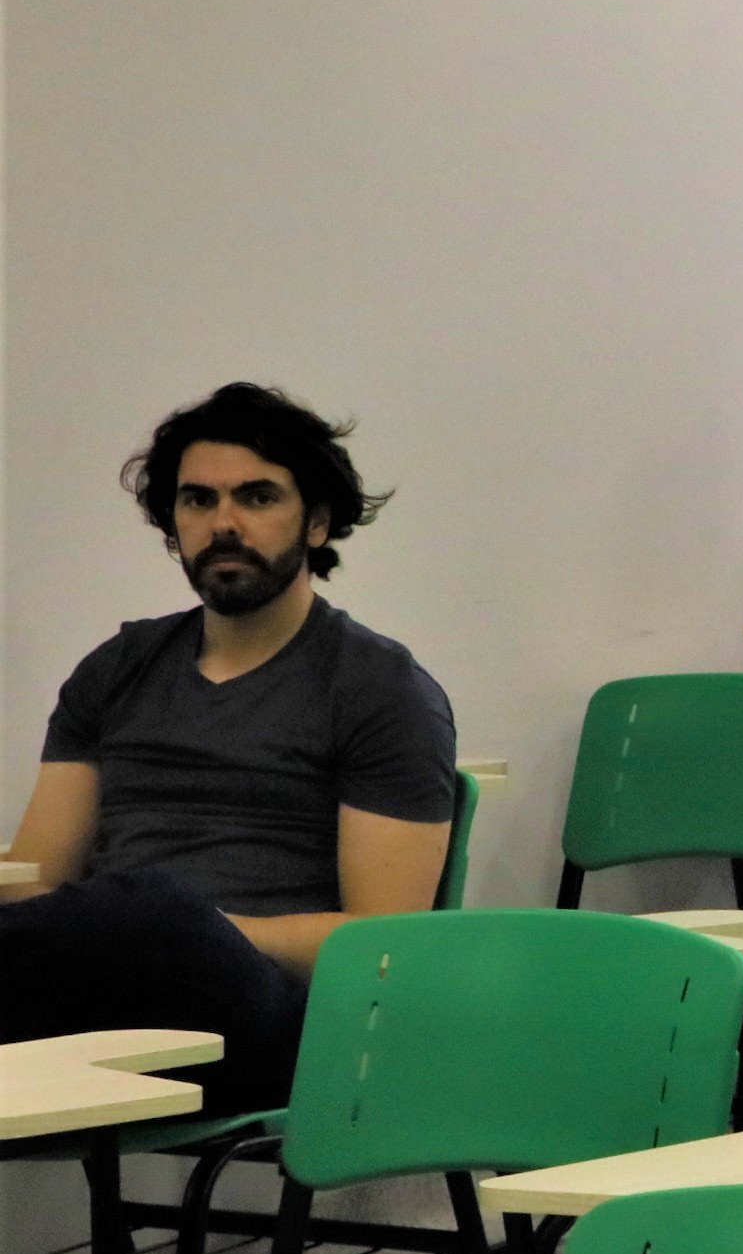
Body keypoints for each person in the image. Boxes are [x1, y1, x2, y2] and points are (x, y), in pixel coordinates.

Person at [0, 385, 459, 1112]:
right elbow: (33, 883)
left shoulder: (380, 688)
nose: (223, 523)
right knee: (133, 911)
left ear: (316, 522)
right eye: (198, 500)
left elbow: (381, 947)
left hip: (276, 1017)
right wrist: (113, 934)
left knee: (159, 907)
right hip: (106, 988)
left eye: (257, 497)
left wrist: (204, 927)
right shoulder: (116, 669)